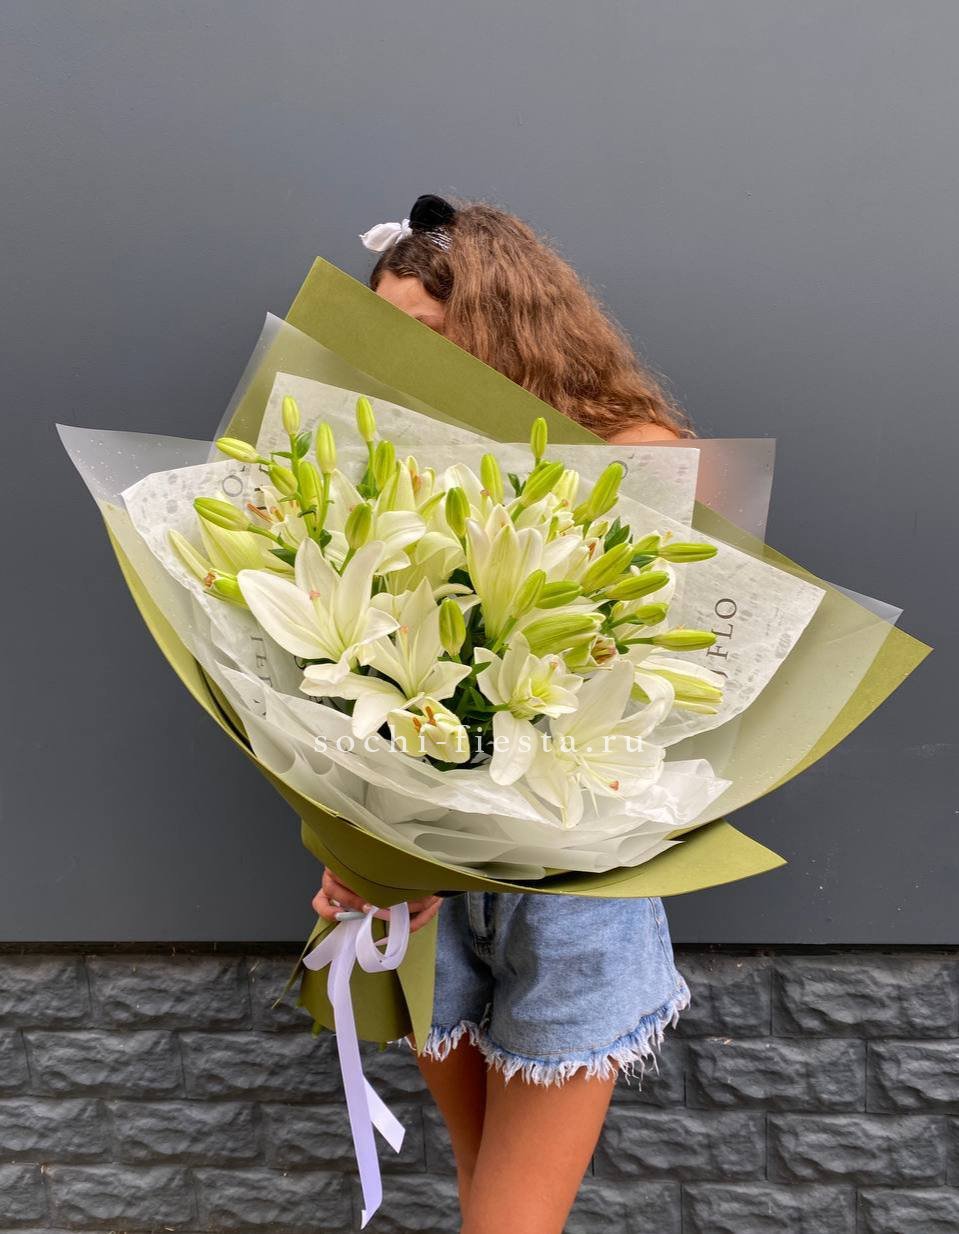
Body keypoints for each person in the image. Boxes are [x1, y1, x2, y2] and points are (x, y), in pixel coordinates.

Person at [313, 194, 695, 1234]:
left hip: (569, 877)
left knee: (510, 1220)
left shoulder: (633, 451)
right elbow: (347, 681)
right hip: (421, 882)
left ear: (504, 320)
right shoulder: (382, 467)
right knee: (485, 1189)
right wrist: (353, 850)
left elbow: (661, 683)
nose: (399, 354)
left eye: (428, 330)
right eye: (383, 329)